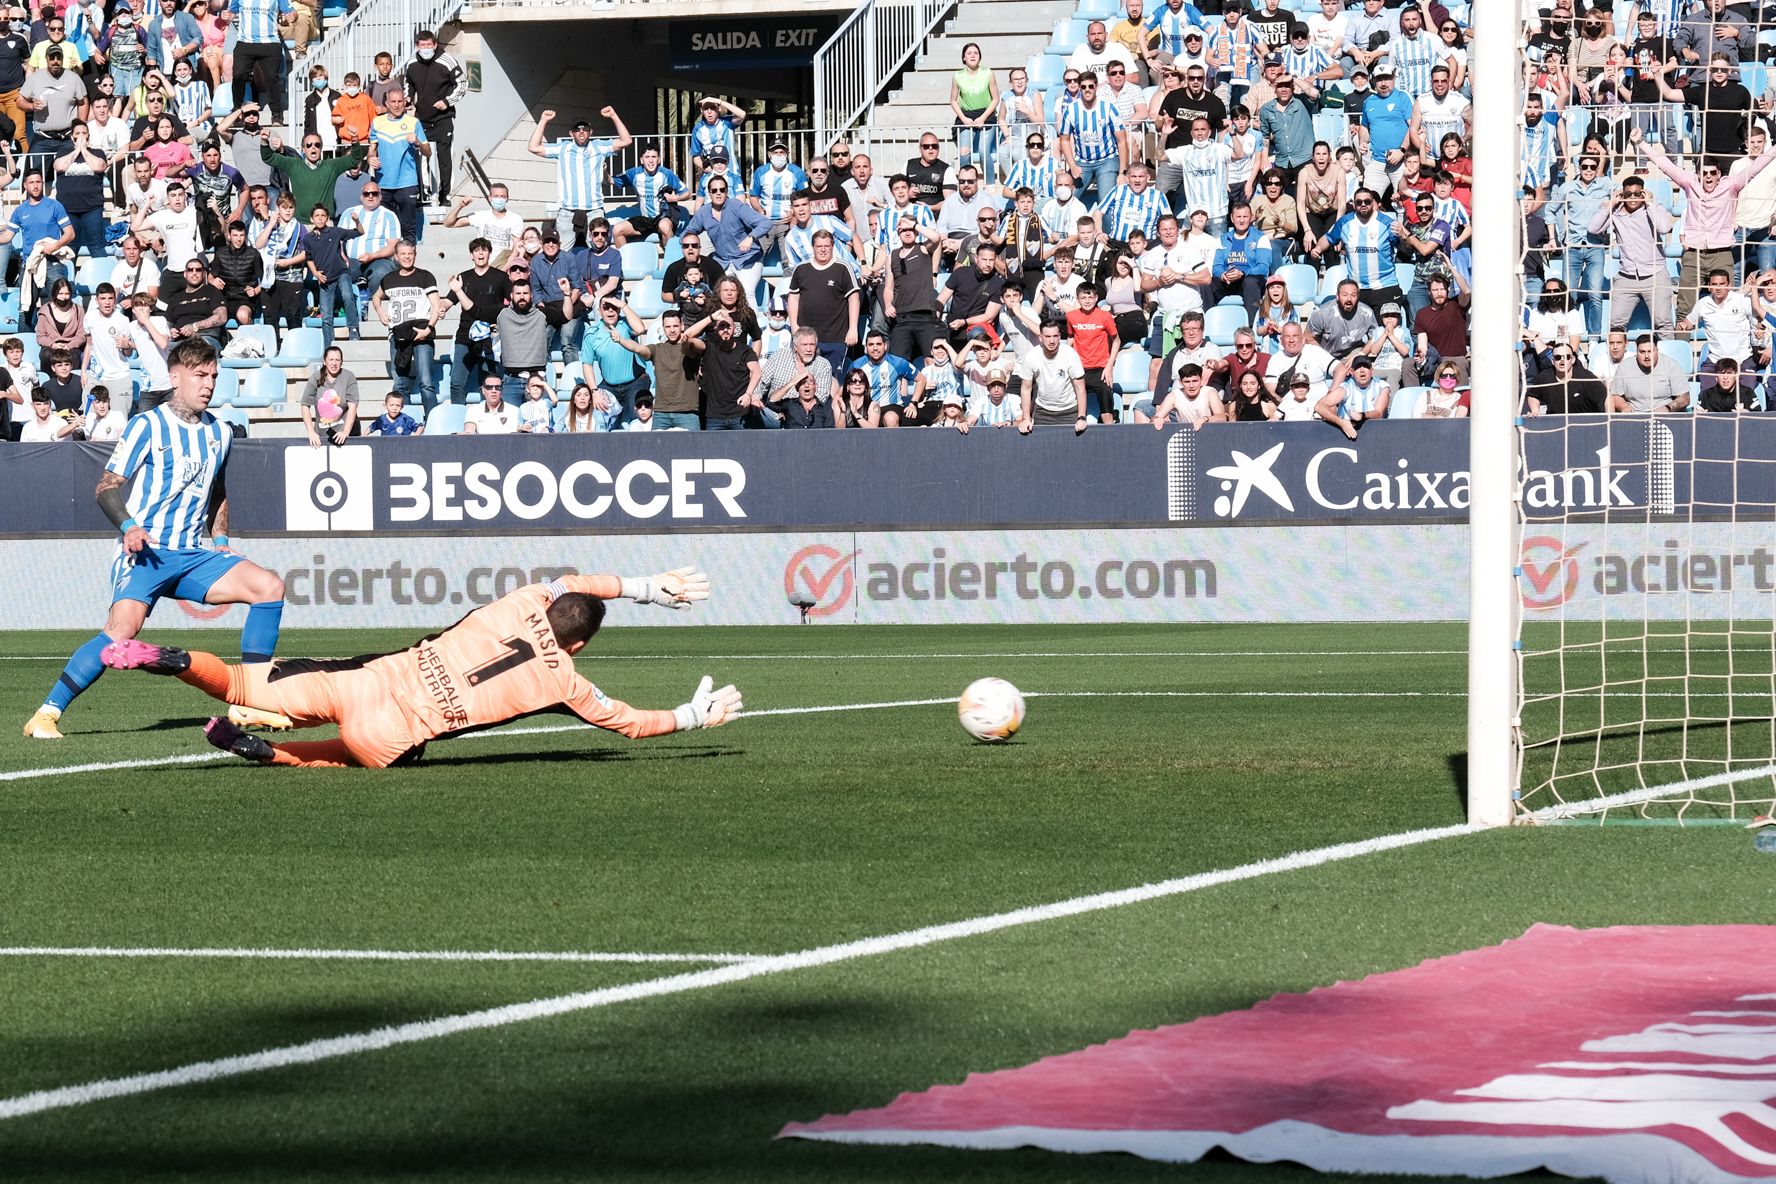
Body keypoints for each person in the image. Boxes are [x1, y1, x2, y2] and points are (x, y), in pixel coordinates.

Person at [100, 568, 742, 768]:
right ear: (576, 648)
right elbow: (627, 723)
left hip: (373, 677)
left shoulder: (520, 602)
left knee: (248, 682)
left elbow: (569, 580)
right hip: (393, 733)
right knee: (341, 755)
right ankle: (264, 752)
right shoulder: (565, 682)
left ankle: (172, 657)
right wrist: (690, 716)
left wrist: (646, 586)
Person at [23, 339, 286, 740]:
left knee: (269, 587)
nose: (209, 384)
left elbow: (217, 491)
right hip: (145, 552)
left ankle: (250, 703)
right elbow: (107, 487)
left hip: (194, 555)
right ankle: (46, 713)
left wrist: (220, 539)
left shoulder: (220, 432)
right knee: (121, 631)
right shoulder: (147, 424)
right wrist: (129, 526)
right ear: (175, 377)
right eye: (200, 375)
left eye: (213, 376)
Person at [528, 107, 630, 250]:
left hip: (594, 209)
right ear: (571, 133)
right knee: (561, 252)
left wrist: (613, 115)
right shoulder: (563, 148)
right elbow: (533, 147)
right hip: (567, 211)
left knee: (599, 249)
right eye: (577, 129)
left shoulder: (599, 146)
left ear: (590, 132)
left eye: (585, 129)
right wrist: (543, 121)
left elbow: (626, 141)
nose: (581, 132)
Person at [370, 238, 444, 414]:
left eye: (410, 254)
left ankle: (431, 422)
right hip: (398, 335)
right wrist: (380, 312)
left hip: (421, 333)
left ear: (415, 255)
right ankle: (408, 423)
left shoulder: (425, 276)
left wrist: (429, 329)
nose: (407, 257)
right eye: (403, 254)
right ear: (395, 256)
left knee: (426, 382)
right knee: (400, 384)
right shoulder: (389, 279)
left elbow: (436, 305)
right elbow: (376, 297)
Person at [405, 30, 464, 205]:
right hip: (421, 118)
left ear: (435, 45)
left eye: (429, 45)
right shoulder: (412, 62)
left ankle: (445, 195)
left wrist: (447, 101)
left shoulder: (447, 60)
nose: (426, 48)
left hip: (443, 118)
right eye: (422, 45)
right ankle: (425, 193)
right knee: (422, 157)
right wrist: (408, 98)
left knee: (444, 158)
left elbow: (462, 84)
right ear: (417, 46)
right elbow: (408, 83)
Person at [1607, 334, 1690, 413]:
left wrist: (1668, 408)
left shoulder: (1671, 365)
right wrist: (1624, 406)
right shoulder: (1624, 366)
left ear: (1657, 350)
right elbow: (1616, 395)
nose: (1646, 356)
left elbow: (1684, 398)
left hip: (1665, 415)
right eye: (1642, 352)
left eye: (1650, 351)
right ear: (1636, 352)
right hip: (1634, 415)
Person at [300, 344, 358, 446]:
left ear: (341, 362)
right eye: (331, 360)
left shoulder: (349, 377)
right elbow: (305, 405)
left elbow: (352, 406)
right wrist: (311, 432)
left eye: (337, 360)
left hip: (345, 434)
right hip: (321, 435)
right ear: (324, 361)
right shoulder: (315, 377)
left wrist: (345, 431)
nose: (334, 363)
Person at [1525, 345, 1606, 415]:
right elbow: (1533, 395)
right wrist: (1535, 410)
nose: (1562, 361)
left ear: (1573, 360)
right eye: (1558, 357)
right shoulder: (1545, 377)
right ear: (1553, 361)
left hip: (1585, 425)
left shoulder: (1585, 377)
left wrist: (1611, 422)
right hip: (1555, 425)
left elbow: (1606, 397)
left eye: (1567, 357)